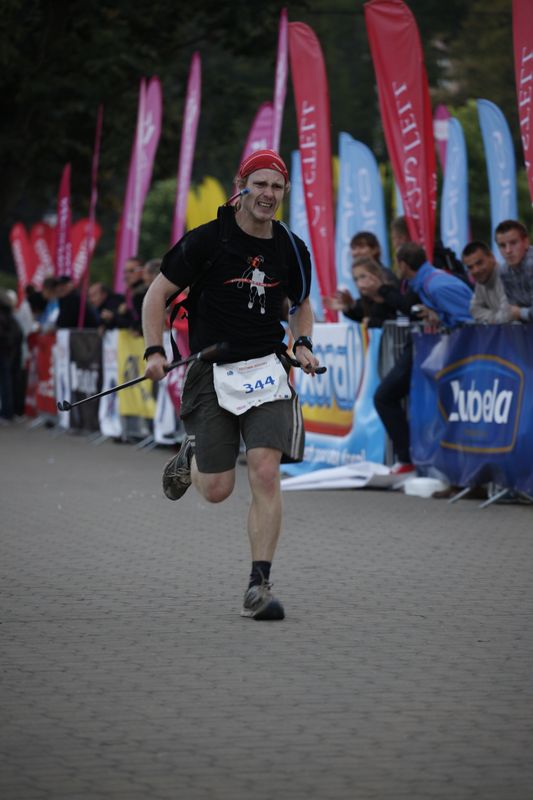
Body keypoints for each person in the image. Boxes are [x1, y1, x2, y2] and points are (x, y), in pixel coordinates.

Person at [142, 149, 320, 621]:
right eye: (260, 184)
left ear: (284, 192)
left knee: (265, 470)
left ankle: (258, 585)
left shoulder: (290, 247)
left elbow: (301, 303)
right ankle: (192, 457)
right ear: (242, 185)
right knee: (218, 488)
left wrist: (302, 343)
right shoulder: (207, 240)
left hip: (267, 369)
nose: (268, 194)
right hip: (212, 369)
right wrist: (155, 350)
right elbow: (156, 295)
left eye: (276, 187)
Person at [373, 242, 473, 473]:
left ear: (402, 265)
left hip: (454, 356)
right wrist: (434, 315)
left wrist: (439, 319)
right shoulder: (426, 283)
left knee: (385, 396)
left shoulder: (437, 285)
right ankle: (414, 459)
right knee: (388, 397)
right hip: (432, 351)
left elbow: (469, 322)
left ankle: (413, 460)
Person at [325, 256, 400, 327]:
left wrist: (373, 323)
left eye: (363, 277)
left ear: (375, 274)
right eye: (356, 279)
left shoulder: (392, 293)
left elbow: (398, 319)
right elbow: (362, 316)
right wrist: (348, 306)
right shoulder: (368, 298)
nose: (359, 283)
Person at [462, 241, 514, 324]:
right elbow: (474, 310)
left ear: (492, 257)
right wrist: (495, 317)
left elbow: (507, 317)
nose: (476, 270)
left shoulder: (507, 277)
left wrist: (490, 319)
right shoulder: (481, 280)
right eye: (470, 267)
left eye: (479, 263)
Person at [494, 219, 533, 322]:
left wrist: (519, 312)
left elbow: (514, 312)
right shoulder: (504, 271)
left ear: (526, 242)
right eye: (502, 245)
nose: (508, 251)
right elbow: (512, 310)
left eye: (513, 243)